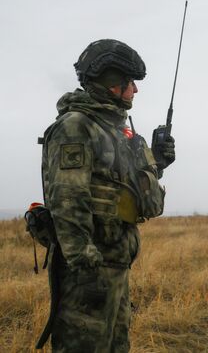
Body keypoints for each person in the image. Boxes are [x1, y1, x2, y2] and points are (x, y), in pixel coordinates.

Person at [37, 39, 175, 352]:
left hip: (114, 269)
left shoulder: (115, 130)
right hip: (89, 273)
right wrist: (86, 272)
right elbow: (68, 202)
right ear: (112, 83)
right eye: (130, 83)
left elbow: (125, 189)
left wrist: (157, 163)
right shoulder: (76, 127)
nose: (135, 91)